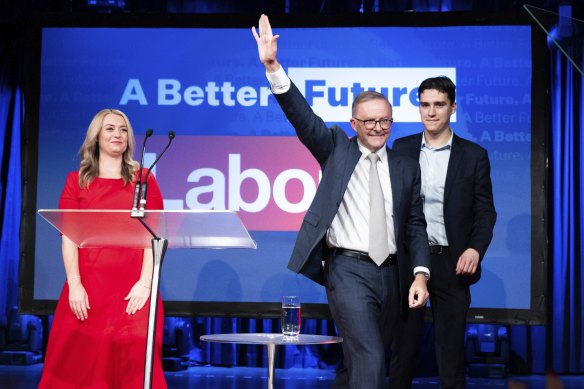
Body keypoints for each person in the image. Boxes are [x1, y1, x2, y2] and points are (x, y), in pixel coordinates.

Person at [252, 14, 431, 389]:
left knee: (357, 363)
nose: (378, 128)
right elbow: (303, 119)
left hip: (394, 274)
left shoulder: (405, 166)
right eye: (370, 122)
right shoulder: (335, 148)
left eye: (385, 121)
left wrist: (419, 274)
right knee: (370, 356)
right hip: (347, 271)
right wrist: (272, 67)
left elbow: (415, 225)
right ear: (353, 124)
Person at [38, 109, 167, 389]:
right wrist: (75, 284)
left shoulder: (144, 180)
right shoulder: (77, 181)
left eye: (122, 129)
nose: (117, 135)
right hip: (87, 288)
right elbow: (68, 236)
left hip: (134, 290)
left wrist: (145, 284)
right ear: (96, 137)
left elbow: (155, 236)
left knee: (133, 370)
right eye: (109, 129)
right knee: (77, 369)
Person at [390, 76, 497, 389]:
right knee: (403, 353)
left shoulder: (474, 155)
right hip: (410, 265)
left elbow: (485, 212)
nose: (431, 112)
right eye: (425, 104)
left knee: (450, 356)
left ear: (453, 108)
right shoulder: (403, 148)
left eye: (439, 104)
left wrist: (475, 249)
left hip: (452, 263)